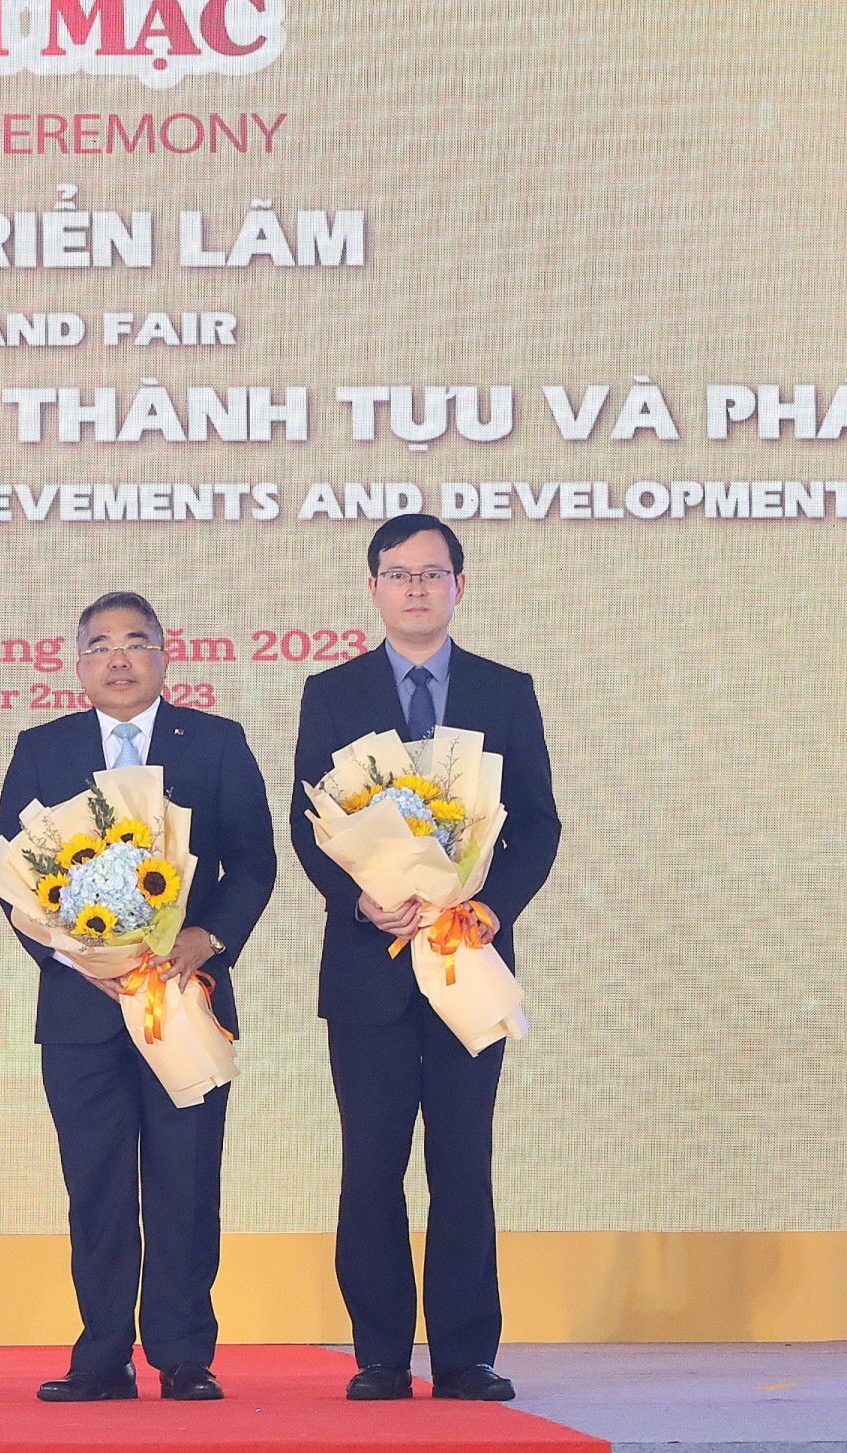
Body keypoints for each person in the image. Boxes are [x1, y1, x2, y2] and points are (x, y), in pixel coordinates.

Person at [289, 513, 560, 1402]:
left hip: (467, 962)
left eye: (432, 574)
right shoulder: (331, 691)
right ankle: (376, 1353)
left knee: (462, 1162)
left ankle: (465, 1356)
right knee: (370, 1163)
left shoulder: (504, 689)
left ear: (458, 587)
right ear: (373, 588)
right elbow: (308, 822)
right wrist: (358, 900)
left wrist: (486, 905)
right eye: (398, 574)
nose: (415, 588)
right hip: (368, 970)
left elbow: (537, 822)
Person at [0, 591, 275, 1402]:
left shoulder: (214, 743)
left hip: (184, 996)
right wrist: (70, 955)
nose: (118, 658)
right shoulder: (42, 747)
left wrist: (207, 937)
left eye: (135, 642)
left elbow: (254, 861)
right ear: (78, 664)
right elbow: (11, 874)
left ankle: (185, 1352)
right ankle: (102, 1352)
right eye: (100, 645)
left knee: (188, 1180)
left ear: (164, 654)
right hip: (82, 1008)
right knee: (97, 1185)